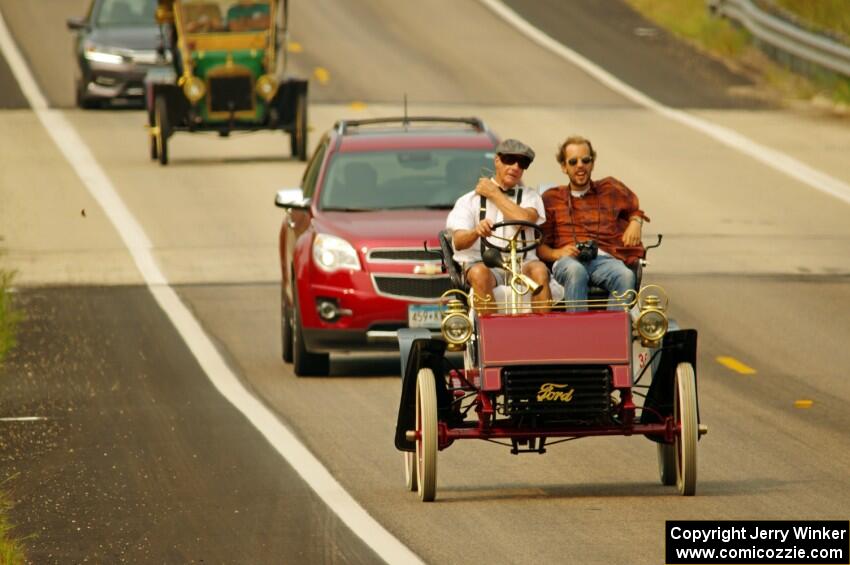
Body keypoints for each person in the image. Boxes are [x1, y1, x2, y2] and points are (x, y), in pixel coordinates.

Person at [537, 135, 648, 310]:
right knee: (576, 271)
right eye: (573, 162)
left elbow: (635, 209)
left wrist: (635, 221)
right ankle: (578, 334)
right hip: (568, 261)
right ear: (564, 167)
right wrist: (557, 253)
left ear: (592, 163)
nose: (580, 165)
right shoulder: (551, 198)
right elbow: (539, 246)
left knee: (626, 276)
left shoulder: (610, 188)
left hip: (603, 259)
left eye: (585, 160)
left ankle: (611, 333)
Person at [446, 139, 551, 313]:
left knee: (540, 270)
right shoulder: (468, 200)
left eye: (522, 163)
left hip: (523, 264)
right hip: (485, 265)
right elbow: (458, 241)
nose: (516, 167)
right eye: (510, 160)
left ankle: (543, 334)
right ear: (497, 160)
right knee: (479, 273)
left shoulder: (530, 196)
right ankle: (491, 335)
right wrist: (476, 231)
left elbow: (525, 218)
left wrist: (494, 194)